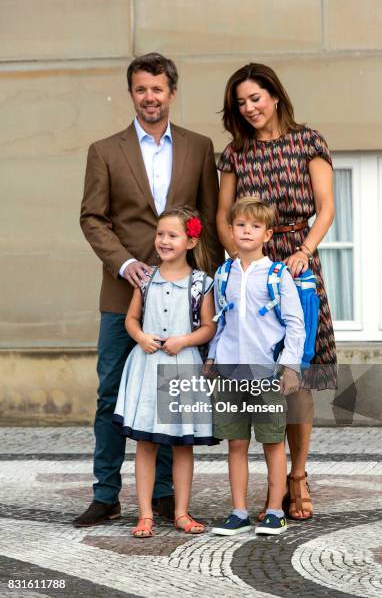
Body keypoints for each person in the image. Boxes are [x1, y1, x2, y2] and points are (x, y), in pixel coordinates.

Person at [75, 52, 224, 527]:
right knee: (111, 394)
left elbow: (209, 222)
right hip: (124, 297)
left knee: (172, 396)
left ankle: (163, 496)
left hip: (184, 297)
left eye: (157, 89)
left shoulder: (200, 147)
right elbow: (92, 218)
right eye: (141, 89)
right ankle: (106, 493)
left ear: (172, 92)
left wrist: (208, 292)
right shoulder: (104, 150)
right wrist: (124, 264)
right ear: (131, 93)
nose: (150, 97)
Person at [216, 63, 336, 521]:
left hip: (299, 264)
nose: (249, 108)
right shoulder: (234, 153)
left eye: (255, 98)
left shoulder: (308, 141)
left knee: (298, 374)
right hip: (251, 269)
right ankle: (263, 485)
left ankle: (298, 476)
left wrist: (304, 250)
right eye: (241, 103)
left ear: (275, 96)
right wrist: (242, 262)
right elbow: (224, 216)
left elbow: (325, 207)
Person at [113, 206, 216, 537]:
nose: (164, 240)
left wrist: (185, 339)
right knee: (146, 444)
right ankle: (144, 514)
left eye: (173, 235)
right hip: (148, 367)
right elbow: (131, 318)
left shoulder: (202, 283)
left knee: (182, 445)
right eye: (160, 234)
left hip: (183, 369)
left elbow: (209, 327)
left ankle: (181, 512)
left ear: (190, 241)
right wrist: (141, 336)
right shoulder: (145, 279)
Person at [208, 198, 305, 536]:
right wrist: (211, 358)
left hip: (266, 372)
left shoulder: (277, 275)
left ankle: (275, 511)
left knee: (272, 441)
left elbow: (295, 324)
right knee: (236, 442)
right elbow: (220, 322)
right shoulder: (223, 274)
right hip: (230, 371)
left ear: (267, 234)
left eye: (255, 226)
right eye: (240, 225)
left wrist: (290, 367)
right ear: (231, 231)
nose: (246, 231)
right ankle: (238, 512)